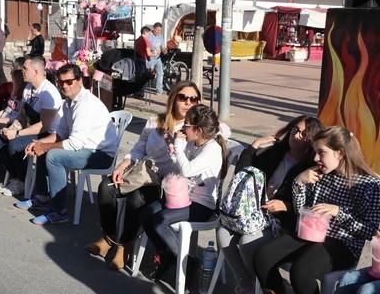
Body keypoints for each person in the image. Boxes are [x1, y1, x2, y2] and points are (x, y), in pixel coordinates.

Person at [251, 126, 380, 294]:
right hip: (311, 232)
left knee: (301, 272)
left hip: (342, 243)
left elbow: (369, 230)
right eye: (315, 151)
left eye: (321, 152)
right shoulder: (321, 173)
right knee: (262, 255)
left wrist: (338, 212)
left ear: (340, 153)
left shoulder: (372, 184)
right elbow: (301, 211)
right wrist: (299, 184)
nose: (315, 157)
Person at [86, 81, 202, 270]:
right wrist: (124, 164)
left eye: (193, 99)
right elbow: (140, 147)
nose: (188, 102)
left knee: (135, 199)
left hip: (168, 185)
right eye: (183, 97)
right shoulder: (156, 121)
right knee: (106, 188)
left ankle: (124, 246)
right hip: (143, 172)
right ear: (173, 99)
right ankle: (109, 238)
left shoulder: (196, 129)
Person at [217, 116, 324, 294]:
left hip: (283, 224)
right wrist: (254, 146)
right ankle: (248, 285)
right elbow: (243, 174)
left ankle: (264, 289)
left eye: (302, 133)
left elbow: (313, 207)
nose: (296, 135)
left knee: (247, 240)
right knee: (223, 232)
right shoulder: (276, 153)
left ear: (311, 140)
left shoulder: (312, 169)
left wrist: (287, 206)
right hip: (256, 214)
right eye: (294, 130)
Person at [138, 104, 228, 278]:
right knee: (145, 214)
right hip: (183, 198)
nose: (183, 128)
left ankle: (188, 260)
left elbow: (187, 170)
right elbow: (181, 168)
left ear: (199, 130)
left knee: (160, 220)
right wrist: (172, 147)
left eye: (187, 125)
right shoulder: (193, 144)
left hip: (203, 205)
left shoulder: (212, 149)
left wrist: (178, 144)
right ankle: (166, 253)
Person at [25, 63, 118, 225]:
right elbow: (60, 135)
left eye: (69, 82)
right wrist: (39, 143)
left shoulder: (85, 104)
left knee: (53, 156)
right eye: (61, 82)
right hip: (86, 148)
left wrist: (45, 147)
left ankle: (58, 211)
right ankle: (43, 197)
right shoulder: (68, 102)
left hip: (100, 154)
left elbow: (74, 143)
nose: (65, 86)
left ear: (80, 81)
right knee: (43, 148)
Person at [0, 55, 62, 196]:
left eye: (25, 68)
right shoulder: (28, 88)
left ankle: (22, 181)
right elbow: (22, 117)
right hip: (31, 128)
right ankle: (17, 176)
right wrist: (12, 129)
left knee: (15, 144)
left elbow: (44, 126)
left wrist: (17, 134)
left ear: (35, 72)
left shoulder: (48, 92)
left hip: (48, 134)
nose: (22, 71)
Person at [147, 22, 167, 94]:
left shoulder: (161, 37)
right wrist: (151, 50)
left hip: (158, 58)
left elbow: (162, 47)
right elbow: (147, 47)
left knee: (160, 73)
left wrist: (164, 50)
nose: (159, 32)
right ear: (154, 28)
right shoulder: (149, 36)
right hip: (150, 58)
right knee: (148, 73)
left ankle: (159, 90)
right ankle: (142, 88)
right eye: (157, 30)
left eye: (160, 30)